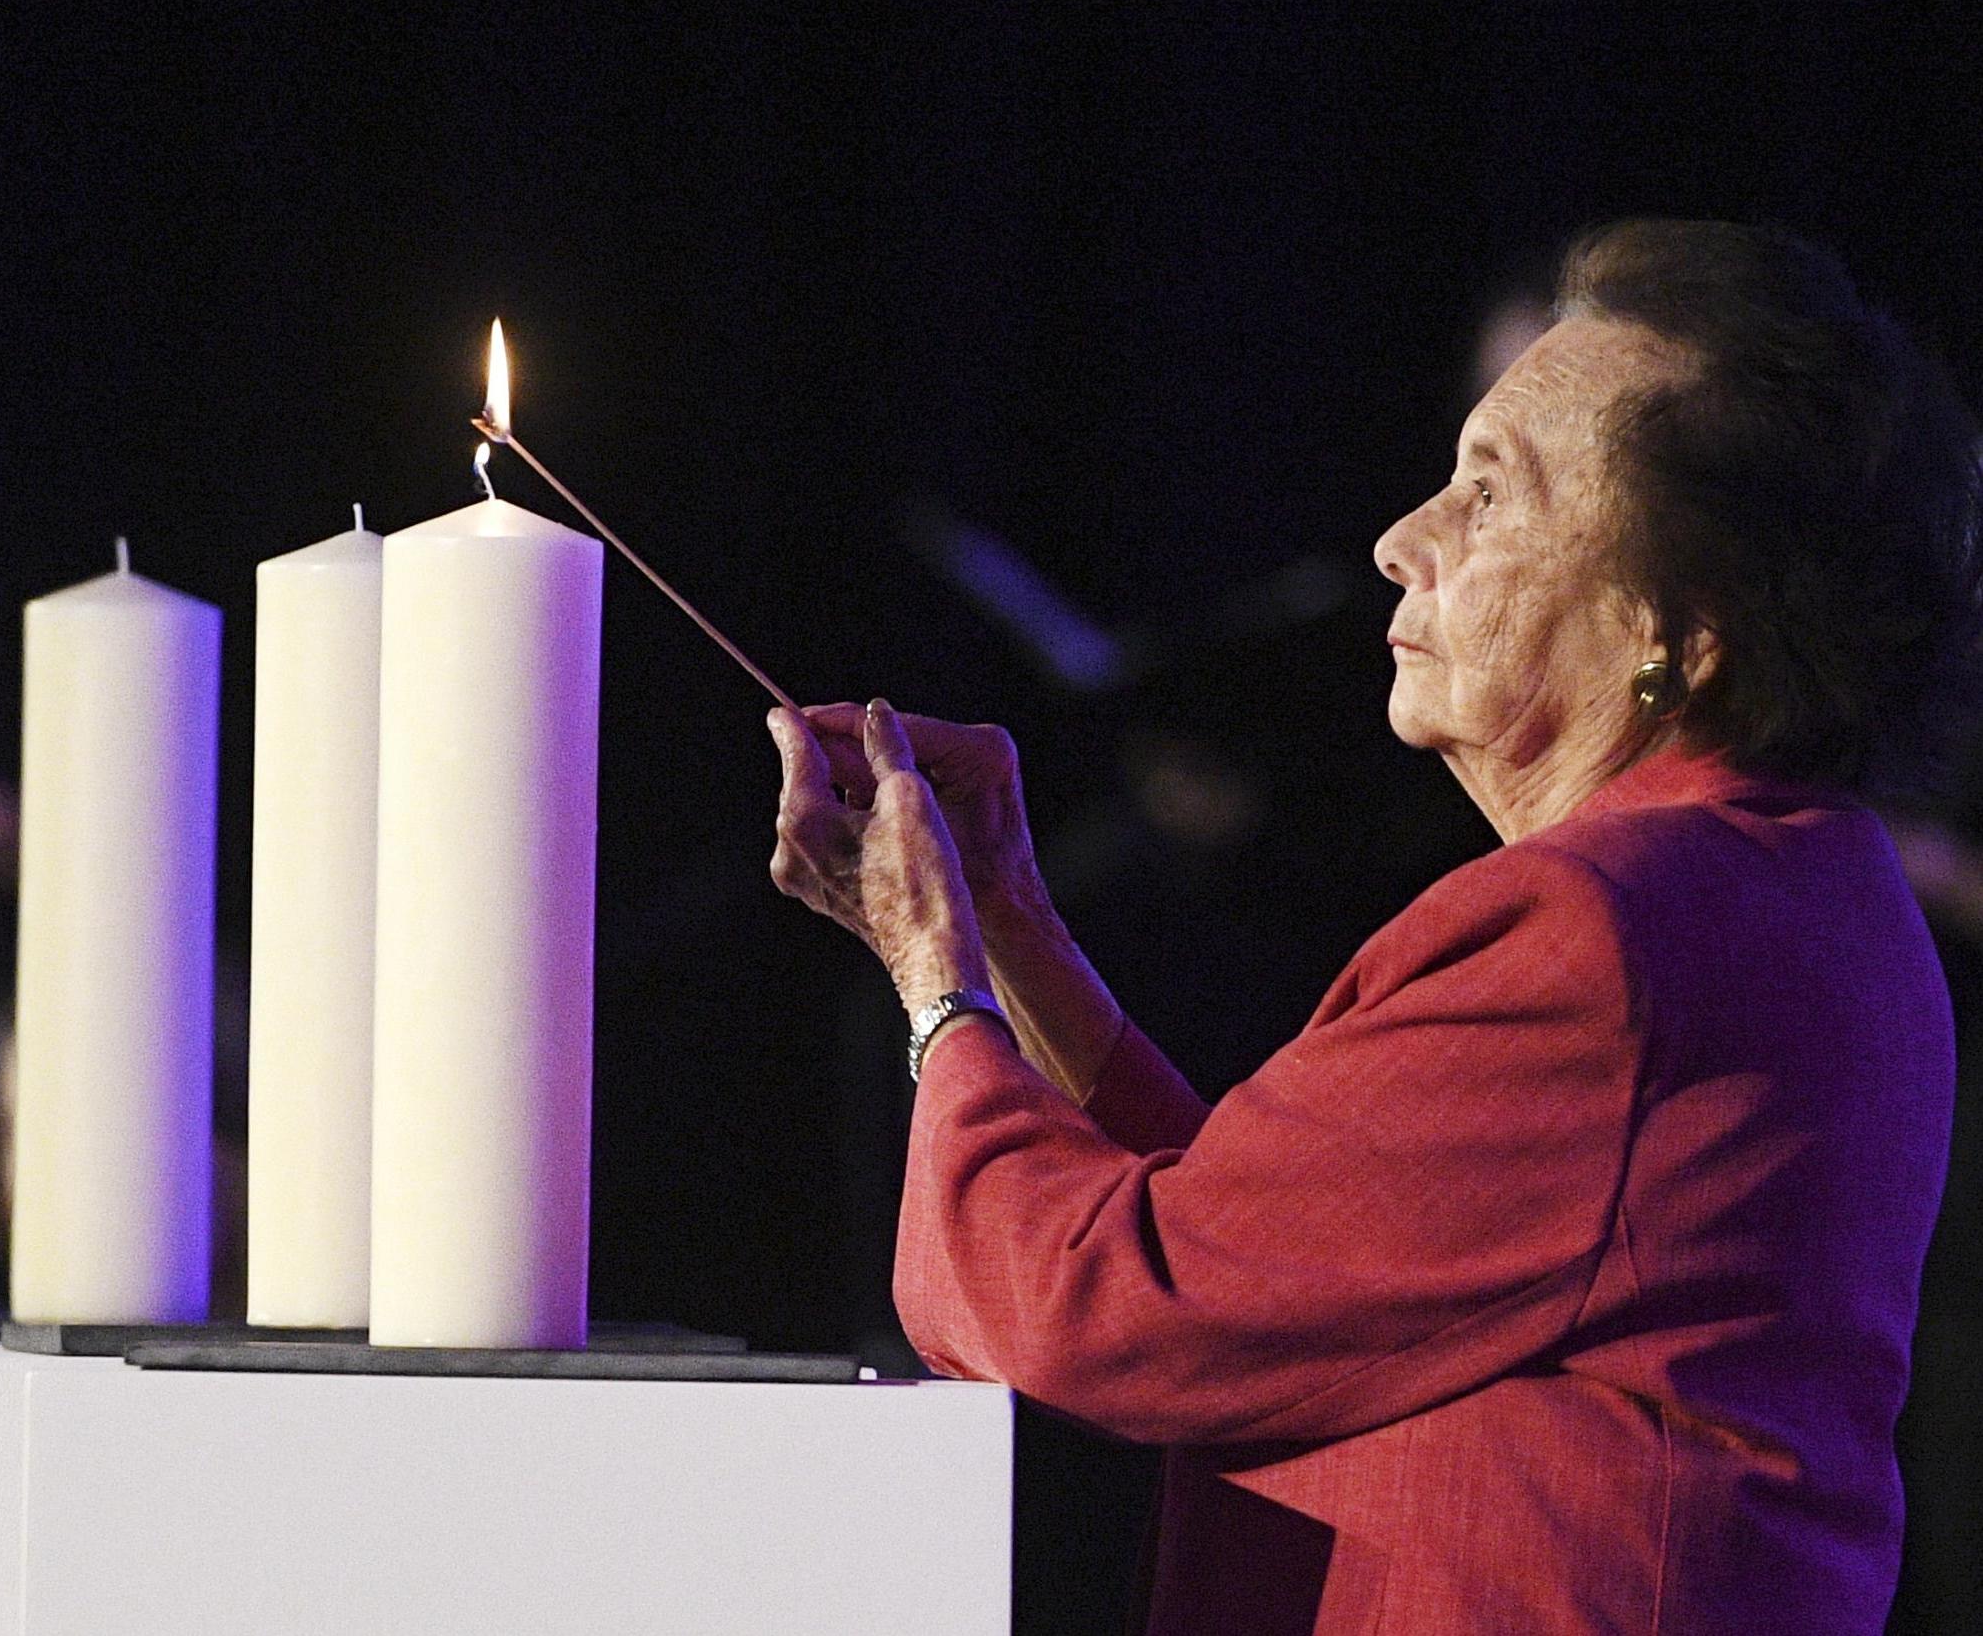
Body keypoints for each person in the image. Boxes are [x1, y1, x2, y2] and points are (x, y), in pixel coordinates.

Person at [765, 218, 1983, 1632]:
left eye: (1488, 495)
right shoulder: (1787, 876)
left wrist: (938, 991)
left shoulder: (1607, 931)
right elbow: (1255, 1241)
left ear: (1675, 628)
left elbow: (1107, 1309)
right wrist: (1006, 928)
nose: (1401, 543)